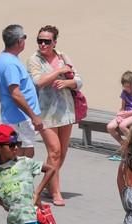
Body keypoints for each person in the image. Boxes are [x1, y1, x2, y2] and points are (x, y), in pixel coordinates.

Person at [27, 25, 82, 206]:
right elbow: (39, 81)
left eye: (47, 41)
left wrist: (68, 82)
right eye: (40, 40)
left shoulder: (62, 56)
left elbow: (79, 80)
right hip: (45, 112)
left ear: (54, 42)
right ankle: (56, 191)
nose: (43, 44)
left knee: (62, 152)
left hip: (66, 110)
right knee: (55, 150)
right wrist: (58, 72)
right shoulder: (34, 60)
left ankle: (49, 184)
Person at [0, 24, 43, 158]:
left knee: (22, 153)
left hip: (16, 116)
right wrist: (34, 116)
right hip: (20, 117)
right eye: (24, 37)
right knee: (24, 155)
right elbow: (15, 94)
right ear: (18, 42)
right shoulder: (10, 63)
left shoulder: (4, 58)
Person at [106, 71, 132, 144]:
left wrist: (128, 114)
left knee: (122, 125)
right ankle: (123, 144)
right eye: (125, 86)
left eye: (129, 87)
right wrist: (119, 115)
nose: (127, 89)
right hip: (125, 114)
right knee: (110, 127)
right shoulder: (124, 92)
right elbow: (122, 108)